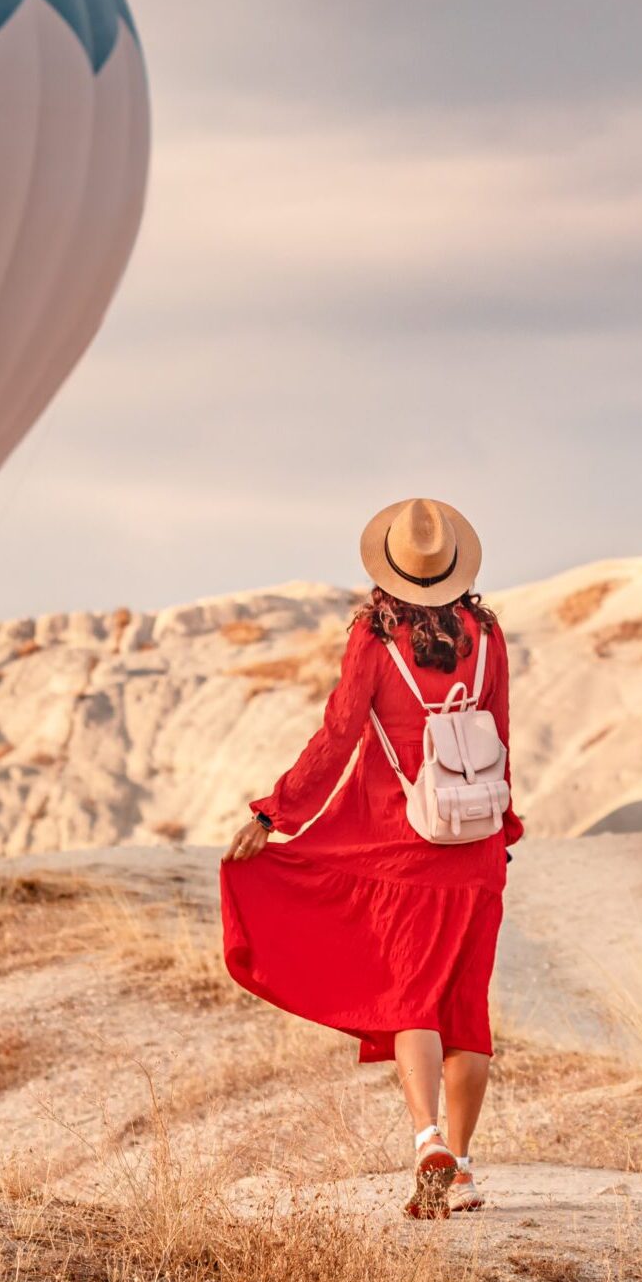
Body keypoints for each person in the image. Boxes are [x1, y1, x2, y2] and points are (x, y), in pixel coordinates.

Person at [219, 497, 521, 1219]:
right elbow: (502, 735)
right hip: (475, 847)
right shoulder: (487, 635)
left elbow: (337, 735)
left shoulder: (373, 637)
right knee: (466, 1008)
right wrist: (502, 829)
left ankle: (425, 1141)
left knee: (409, 998)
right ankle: (467, 1166)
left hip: (403, 846)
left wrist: (275, 810)